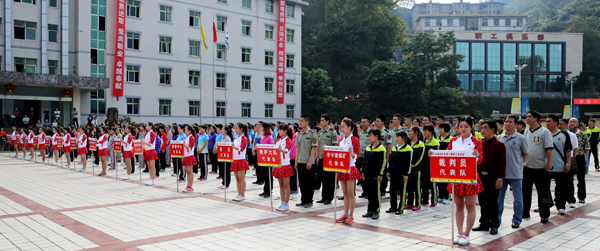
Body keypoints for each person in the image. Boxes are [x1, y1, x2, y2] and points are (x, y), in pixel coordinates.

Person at [432, 117, 483, 246]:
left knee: (470, 206)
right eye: (461, 126)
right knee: (458, 206)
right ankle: (459, 232)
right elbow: (446, 156)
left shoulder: (476, 141)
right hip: (456, 178)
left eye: (466, 126)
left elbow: (480, 160)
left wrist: (476, 156)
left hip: (470, 178)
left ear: (472, 127)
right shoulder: (454, 141)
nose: (463, 129)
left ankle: (467, 233)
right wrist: (433, 154)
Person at [471, 120, 505, 235]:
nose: (482, 130)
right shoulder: (480, 144)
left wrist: (500, 178)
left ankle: (494, 224)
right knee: (482, 200)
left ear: (492, 130)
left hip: (493, 176)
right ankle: (484, 223)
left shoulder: (499, 145)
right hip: (481, 176)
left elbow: (502, 163)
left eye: (485, 128)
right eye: (482, 128)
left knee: (493, 201)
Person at [497, 115, 529, 229]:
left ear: (516, 124)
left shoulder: (521, 138)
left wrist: (519, 164)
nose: (507, 124)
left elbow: (526, 153)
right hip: (502, 173)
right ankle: (497, 219)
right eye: (506, 121)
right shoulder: (500, 137)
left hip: (516, 173)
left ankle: (516, 219)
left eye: (510, 122)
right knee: (499, 198)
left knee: (518, 198)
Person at [522, 110, 554, 223]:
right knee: (525, 191)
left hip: (541, 167)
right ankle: (525, 212)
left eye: (529, 117)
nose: (527, 119)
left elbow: (549, 149)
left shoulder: (544, 132)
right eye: (527, 117)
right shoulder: (526, 132)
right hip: (527, 167)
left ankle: (544, 214)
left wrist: (548, 164)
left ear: (536, 118)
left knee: (543, 192)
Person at [334, 119, 361, 224]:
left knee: (351, 193)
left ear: (350, 128)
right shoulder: (341, 140)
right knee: (345, 193)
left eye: (344, 126)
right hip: (342, 168)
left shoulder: (354, 140)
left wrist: (352, 153)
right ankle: (345, 214)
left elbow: (357, 155)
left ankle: (351, 215)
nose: (342, 128)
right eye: (341, 126)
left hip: (350, 168)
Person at [546, 115, 572, 215]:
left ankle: (561, 206)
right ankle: (545, 206)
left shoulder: (564, 135)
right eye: (546, 121)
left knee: (561, 187)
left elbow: (568, 150)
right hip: (546, 166)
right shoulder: (544, 134)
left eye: (549, 121)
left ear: (556, 123)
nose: (547, 123)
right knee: (545, 188)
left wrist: (568, 163)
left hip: (560, 165)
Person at [361, 129, 386, 219]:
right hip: (367, 174)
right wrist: (363, 171)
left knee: (376, 193)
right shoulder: (368, 147)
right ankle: (370, 210)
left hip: (376, 175)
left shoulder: (381, 148)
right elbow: (365, 161)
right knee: (369, 193)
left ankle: (376, 211)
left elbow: (383, 163)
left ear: (376, 136)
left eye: (371, 135)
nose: (369, 137)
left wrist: (380, 174)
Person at [386, 131, 412, 215]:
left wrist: (406, 174)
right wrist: (389, 171)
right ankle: (393, 207)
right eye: (396, 137)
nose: (396, 139)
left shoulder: (408, 148)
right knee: (392, 191)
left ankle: (401, 208)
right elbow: (391, 160)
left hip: (402, 174)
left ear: (403, 138)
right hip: (394, 173)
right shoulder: (394, 147)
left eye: (398, 137)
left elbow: (408, 163)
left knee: (402, 191)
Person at [295, 115, 318, 208]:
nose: (300, 123)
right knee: (302, 182)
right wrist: (296, 161)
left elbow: (314, 148)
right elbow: (297, 148)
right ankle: (303, 200)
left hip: (308, 162)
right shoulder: (299, 134)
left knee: (309, 182)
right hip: (300, 161)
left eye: (302, 121)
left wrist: (310, 161)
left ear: (307, 122)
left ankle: (309, 200)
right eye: (299, 121)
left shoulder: (312, 134)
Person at [316, 113, 338, 205]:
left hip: (330, 159)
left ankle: (329, 197)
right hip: (321, 158)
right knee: (323, 178)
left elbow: (335, 145)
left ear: (327, 121)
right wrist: (317, 157)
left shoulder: (332, 132)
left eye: (322, 120)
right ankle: (324, 196)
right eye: (320, 120)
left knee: (330, 179)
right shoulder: (320, 132)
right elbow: (318, 145)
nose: (321, 122)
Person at [558, 118, 578, 209]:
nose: (559, 126)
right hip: (557, 161)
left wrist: (570, 160)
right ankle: (557, 199)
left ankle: (571, 200)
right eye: (558, 124)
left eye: (561, 124)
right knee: (558, 183)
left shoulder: (572, 135)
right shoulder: (553, 134)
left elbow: (575, 149)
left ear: (566, 125)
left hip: (568, 160)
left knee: (569, 181)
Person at [273, 124, 293, 211]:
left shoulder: (288, 140)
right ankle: (282, 202)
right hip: (278, 165)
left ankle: (286, 203)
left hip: (285, 165)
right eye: (278, 130)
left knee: (286, 185)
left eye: (280, 130)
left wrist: (281, 149)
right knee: (281, 185)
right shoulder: (277, 140)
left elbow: (286, 150)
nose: (279, 131)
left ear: (285, 131)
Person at [406, 127, 424, 211]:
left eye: (410, 131)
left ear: (416, 133)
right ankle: (409, 203)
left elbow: (419, 158)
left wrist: (412, 165)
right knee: (409, 187)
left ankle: (418, 204)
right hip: (408, 169)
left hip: (416, 169)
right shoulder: (408, 143)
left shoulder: (420, 144)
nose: (409, 132)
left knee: (417, 187)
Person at [422, 125, 440, 207]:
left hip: (431, 166)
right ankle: (425, 200)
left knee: (432, 184)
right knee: (424, 183)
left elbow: (437, 155)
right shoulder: (423, 141)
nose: (424, 132)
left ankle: (434, 201)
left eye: (426, 131)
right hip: (423, 165)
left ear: (431, 132)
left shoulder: (435, 142)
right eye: (424, 131)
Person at [572, 119, 590, 203]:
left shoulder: (582, 134)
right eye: (570, 122)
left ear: (577, 124)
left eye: (574, 122)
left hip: (580, 157)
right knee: (568, 179)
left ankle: (582, 196)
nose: (572, 123)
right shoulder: (566, 134)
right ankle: (569, 197)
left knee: (581, 179)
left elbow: (587, 148)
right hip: (570, 157)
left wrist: (580, 155)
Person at [232, 123, 250, 201]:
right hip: (235, 159)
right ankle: (239, 194)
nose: (235, 129)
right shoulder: (236, 138)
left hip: (241, 159)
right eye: (235, 128)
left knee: (241, 178)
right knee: (237, 178)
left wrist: (234, 147)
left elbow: (241, 148)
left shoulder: (244, 138)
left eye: (237, 128)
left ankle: (242, 194)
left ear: (241, 129)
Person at [375, 115, 391, 199]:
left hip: (383, 155)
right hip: (375, 155)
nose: (376, 123)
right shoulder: (374, 131)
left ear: (383, 122)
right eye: (376, 121)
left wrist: (387, 157)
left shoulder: (386, 132)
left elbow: (389, 145)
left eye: (378, 121)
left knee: (383, 173)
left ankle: (383, 190)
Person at [259, 123, 275, 197]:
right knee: (264, 174)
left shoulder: (270, 137)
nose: (260, 127)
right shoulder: (262, 136)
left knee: (268, 174)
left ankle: (269, 190)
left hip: (268, 159)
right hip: (262, 158)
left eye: (261, 126)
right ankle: (265, 190)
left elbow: (272, 147)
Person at [437, 122, 452, 204]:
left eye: (441, 128)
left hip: (447, 162)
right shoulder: (437, 139)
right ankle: (440, 195)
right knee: (439, 180)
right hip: (439, 162)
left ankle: (447, 197)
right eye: (439, 128)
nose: (439, 130)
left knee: (446, 180)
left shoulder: (451, 139)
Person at [215, 125, 232, 189]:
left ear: (226, 131)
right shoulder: (222, 138)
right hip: (222, 156)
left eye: (222, 129)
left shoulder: (228, 139)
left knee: (227, 170)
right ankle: (223, 182)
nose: (221, 130)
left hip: (226, 157)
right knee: (222, 170)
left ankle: (227, 184)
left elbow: (228, 148)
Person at [357, 117, 371, 199]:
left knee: (367, 176)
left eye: (364, 122)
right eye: (361, 122)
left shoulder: (371, 133)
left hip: (368, 157)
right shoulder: (360, 133)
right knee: (360, 175)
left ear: (368, 123)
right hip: (360, 156)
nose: (362, 124)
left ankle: (368, 192)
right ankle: (364, 191)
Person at [182, 125, 197, 193]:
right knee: (187, 172)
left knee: (190, 172)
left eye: (185, 130)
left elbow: (190, 148)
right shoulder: (186, 138)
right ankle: (188, 185)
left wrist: (184, 144)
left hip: (190, 156)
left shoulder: (191, 138)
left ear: (189, 131)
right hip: (185, 156)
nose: (184, 131)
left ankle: (190, 186)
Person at [289, 123, 299, 194]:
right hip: (288, 157)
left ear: (294, 129)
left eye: (291, 128)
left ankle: (295, 189)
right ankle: (289, 188)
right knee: (289, 174)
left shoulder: (297, 137)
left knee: (294, 174)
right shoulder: (288, 137)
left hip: (294, 157)